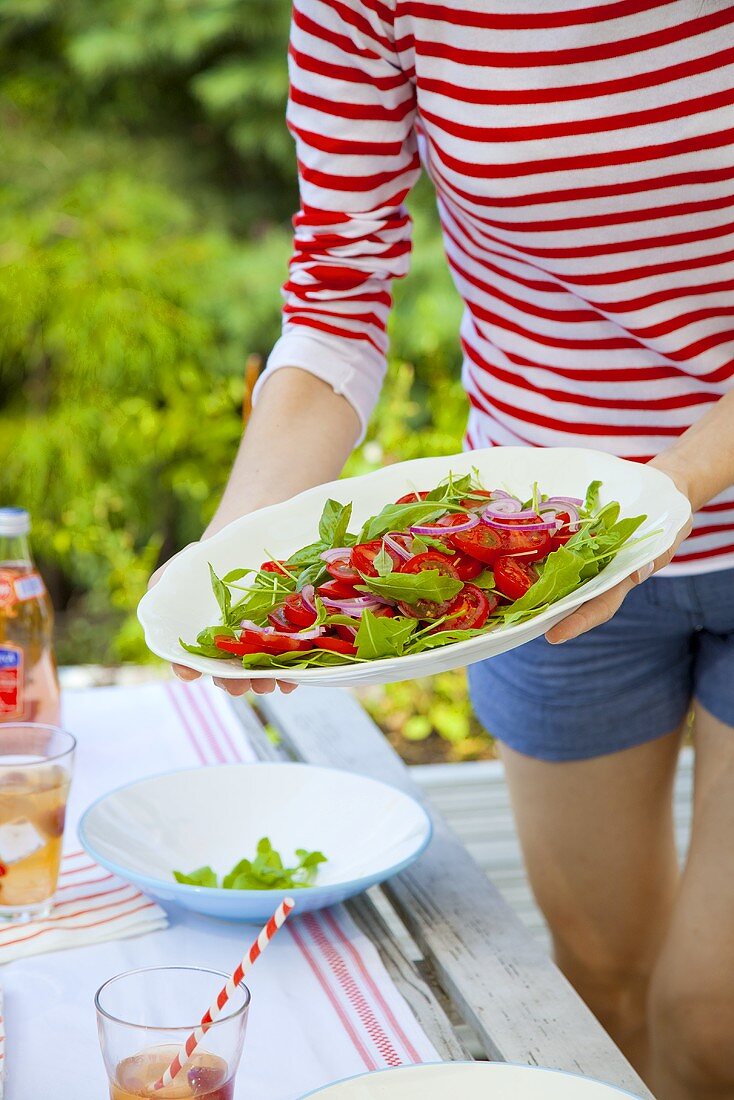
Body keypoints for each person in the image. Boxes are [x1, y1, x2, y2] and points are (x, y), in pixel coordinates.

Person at [157, 4, 734, 1097]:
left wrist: (662, 495)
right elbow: (336, 293)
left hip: (635, 512)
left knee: (711, 1013)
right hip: (534, 561)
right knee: (604, 978)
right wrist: (233, 555)